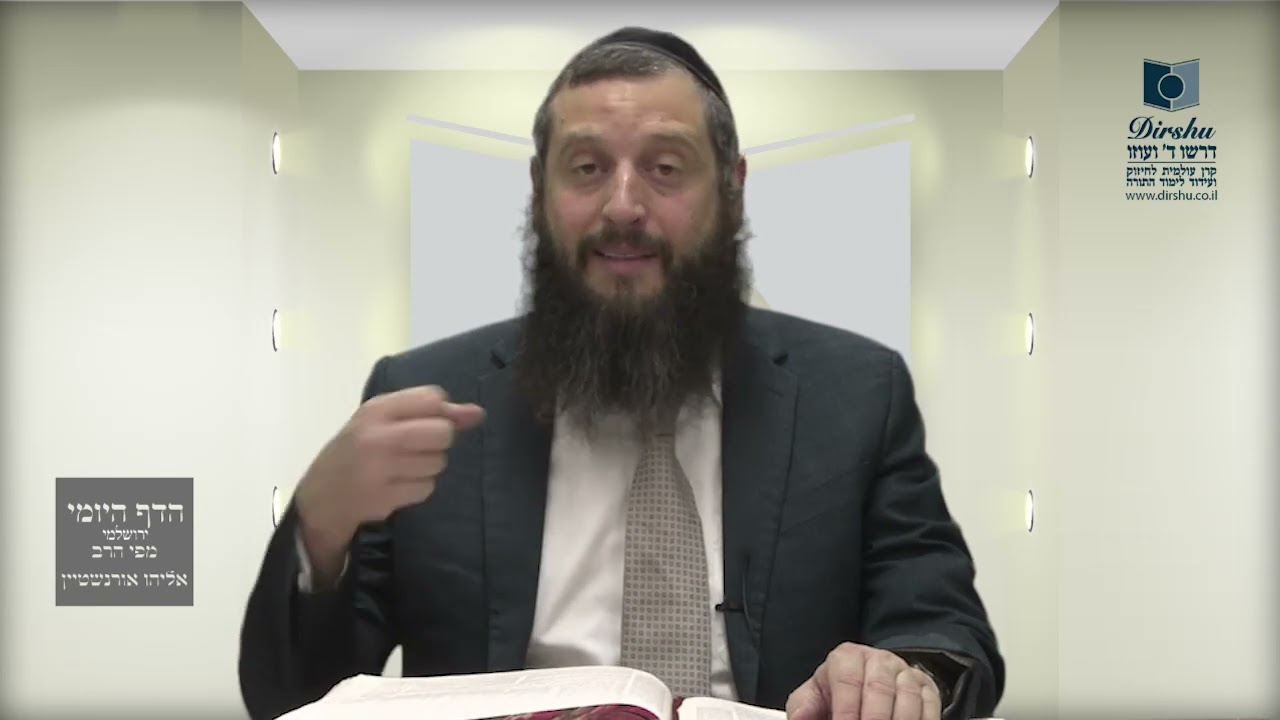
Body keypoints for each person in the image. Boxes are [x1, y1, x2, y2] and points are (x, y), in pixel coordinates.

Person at [238, 26, 1004, 720]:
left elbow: (940, 621)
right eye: (586, 168)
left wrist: (904, 674)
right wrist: (322, 526)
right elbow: (292, 697)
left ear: (732, 188)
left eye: (666, 168)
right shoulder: (425, 395)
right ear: (540, 189)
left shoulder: (858, 392)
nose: (624, 205)